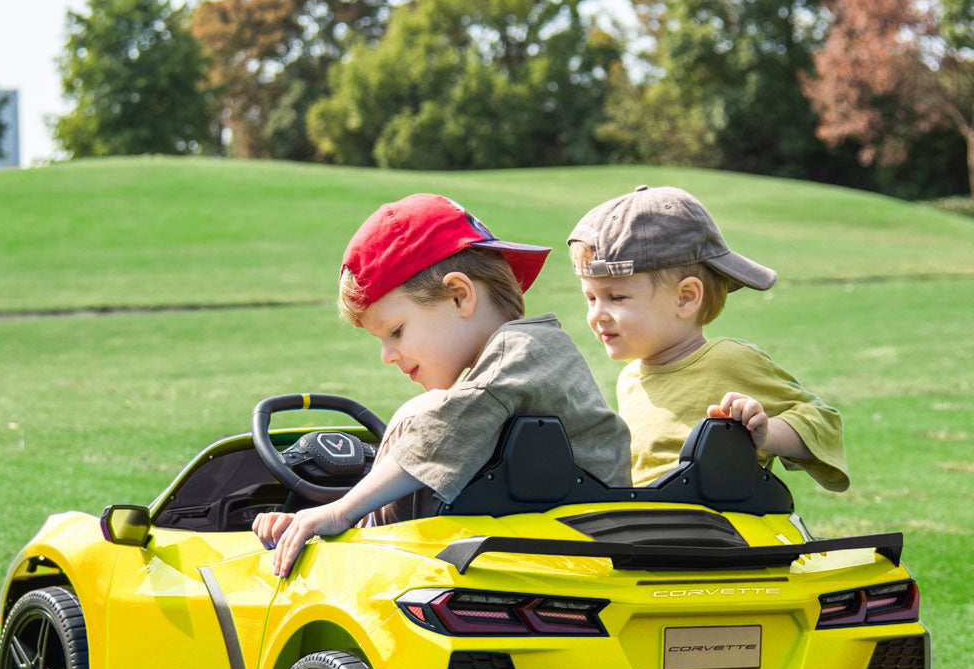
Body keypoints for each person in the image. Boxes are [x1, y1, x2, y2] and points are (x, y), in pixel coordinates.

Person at [255, 193, 632, 576]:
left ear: (459, 295)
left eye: (396, 331)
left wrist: (340, 511)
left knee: (422, 415)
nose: (388, 355)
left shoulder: (520, 354)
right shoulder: (518, 359)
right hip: (563, 544)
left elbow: (443, 432)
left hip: (588, 549)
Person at [567, 185, 849, 491]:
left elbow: (824, 422)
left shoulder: (728, 360)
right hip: (641, 528)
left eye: (616, 297)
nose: (597, 315)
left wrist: (765, 434)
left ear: (686, 298)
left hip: (712, 532)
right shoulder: (629, 379)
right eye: (591, 299)